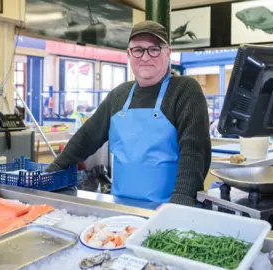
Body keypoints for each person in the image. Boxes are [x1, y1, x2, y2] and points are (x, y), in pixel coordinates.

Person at [46, 21, 211, 206]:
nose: (145, 57)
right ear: (129, 54)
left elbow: (194, 153)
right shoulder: (119, 95)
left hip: (169, 209)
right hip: (122, 208)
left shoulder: (185, 90)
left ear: (168, 52)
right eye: (138, 50)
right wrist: (51, 173)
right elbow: (85, 138)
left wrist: (178, 208)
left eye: (154, 49)